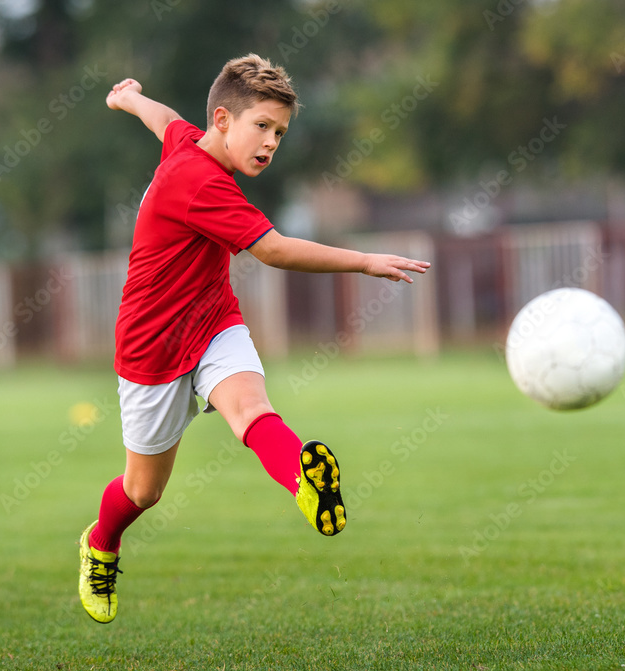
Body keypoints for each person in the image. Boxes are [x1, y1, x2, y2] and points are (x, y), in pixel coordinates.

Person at [78, 53, 431, 624]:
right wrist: (364, 261)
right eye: (261, 127)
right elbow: (272, 249)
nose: (270, 142)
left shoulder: (189, 143)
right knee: (143, 492)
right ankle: (100, 544)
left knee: (251, 409)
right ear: (223, 120)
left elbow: (165, 120)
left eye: (280, 133)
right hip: (152, 351)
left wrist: (128, 98)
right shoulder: (200, 184)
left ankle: (303, 477)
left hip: (214, 321)